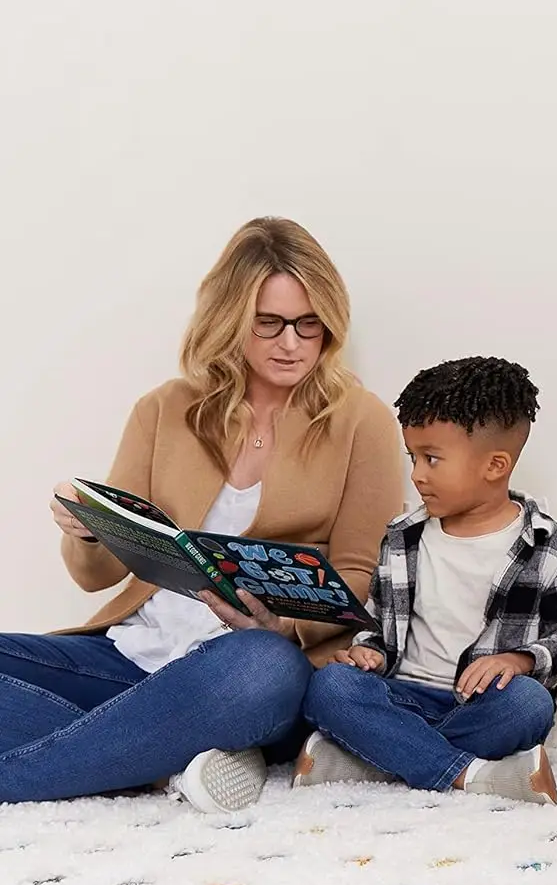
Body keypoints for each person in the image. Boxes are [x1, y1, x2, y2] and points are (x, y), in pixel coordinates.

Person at [0, 218, 405, 812]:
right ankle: (163, 754)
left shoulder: (361, 420)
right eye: (268, 324)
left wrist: (281, 629)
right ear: (230, 318)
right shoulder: (165, 409)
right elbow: (97, 575)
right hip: (132, 657)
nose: (291, 343)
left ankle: (80, 763)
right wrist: (87, 531)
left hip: (253, 664)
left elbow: (358, 573)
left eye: (308, 323)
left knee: (259, 669)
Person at [295, 355, 557, 804]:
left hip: (481, 706)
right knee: (329, 686)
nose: (416, 474)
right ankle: (469, 775)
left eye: (432, 459)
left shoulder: (551, 547)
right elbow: (378, 626)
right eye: (413, 457)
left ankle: (383, 759)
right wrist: (367, 654)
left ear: (495, 465)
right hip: (402, 696)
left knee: (528, 706)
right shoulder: (402, 538)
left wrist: (520, 661)